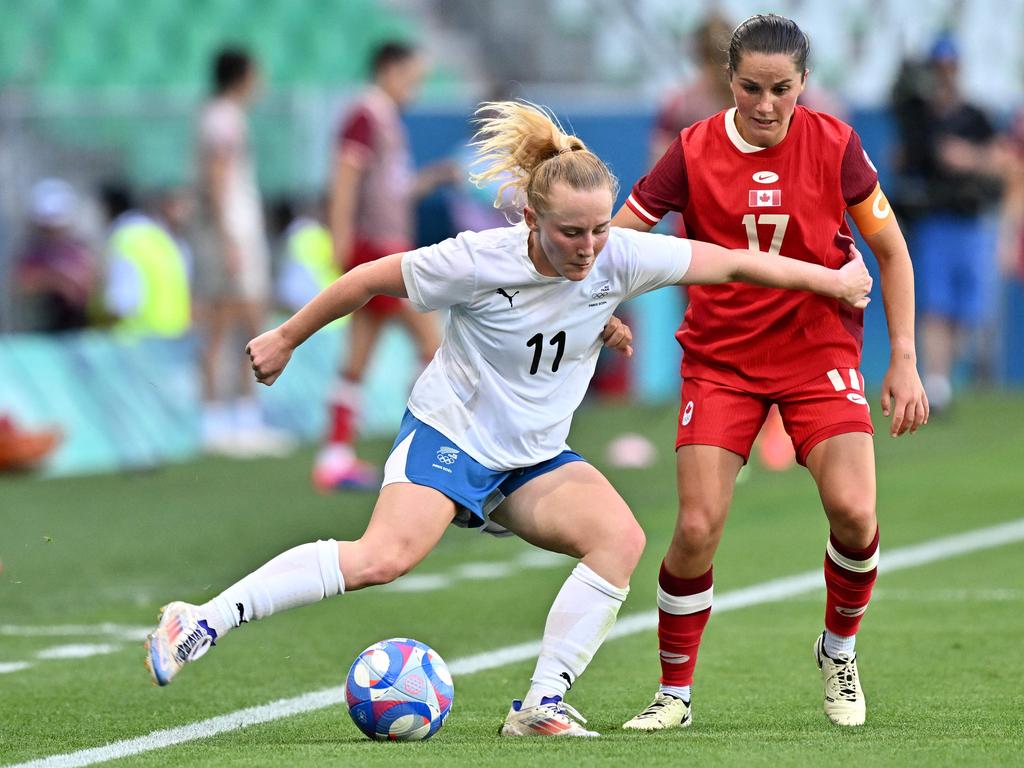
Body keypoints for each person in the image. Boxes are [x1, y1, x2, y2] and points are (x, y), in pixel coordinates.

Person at [144, 100, 872, 737]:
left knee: (618, 539)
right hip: (451, 438)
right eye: (570, 234)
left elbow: (738, 265)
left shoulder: (619, 258)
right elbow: (369, 279)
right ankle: (202, 619)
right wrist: (285, 338)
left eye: (597, 232)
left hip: (530, 458)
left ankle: (541, 705)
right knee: (382, 559)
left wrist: (832, 278)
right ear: (531, 218)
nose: (589, 249)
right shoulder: (474, 260)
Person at [613, 14, 928, 730]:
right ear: (729, 80)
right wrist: (601, 302)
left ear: (803, 84)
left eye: (781, 89)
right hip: (722, 359)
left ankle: (838, 653)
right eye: (751, 87)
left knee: (854, 513)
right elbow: (618, 239)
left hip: (818, 352)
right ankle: (675, 694)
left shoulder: (835, 143)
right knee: (696, 527)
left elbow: (893, 252)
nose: (765, 104)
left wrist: (904, 360)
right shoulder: (691, 151)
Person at [316, 40, 457, 491]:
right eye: (411, 78)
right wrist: (340, 238)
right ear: (390, 70)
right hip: (377, 250)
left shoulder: (384, 119)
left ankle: (335, 454)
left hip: (385, 246)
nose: (415, 89)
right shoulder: (366, 114)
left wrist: (431, 179)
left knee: (361, 351)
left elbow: (389, 190)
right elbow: (345, 177)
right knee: (432, 344)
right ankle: (424, 447)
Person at [891, 36, 1002, 411]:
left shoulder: (975, 116)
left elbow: (1003, 161)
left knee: (967, 312)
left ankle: (944, 376)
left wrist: (968, 157)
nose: (944, 74)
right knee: (936, 304)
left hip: (970, 221)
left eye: (949, 66)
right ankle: (937, 382)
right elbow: (904, 157)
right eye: (939, 67)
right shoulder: (921, 118)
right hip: (935, 221)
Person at [193, 47, 291, 456]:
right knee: (238, 323)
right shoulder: (224, 119)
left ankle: (225, 421)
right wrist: (230, 239)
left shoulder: (218, 116)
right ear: (242, 76)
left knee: (230, 323)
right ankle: (232, 421)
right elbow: (218, 178)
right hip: (231, 233)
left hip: (227, 232)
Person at [103, 184, 193, 338]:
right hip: (172, 343)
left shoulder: (127, 239)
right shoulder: (169, 242)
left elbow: (121, 304)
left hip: (137, 343)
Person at [14, 178, 96, 333]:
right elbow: (22, 284)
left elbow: (86, 288)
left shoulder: (78, 250)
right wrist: (56, 280)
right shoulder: (34, 253)